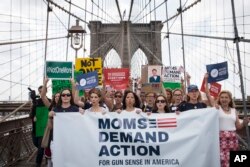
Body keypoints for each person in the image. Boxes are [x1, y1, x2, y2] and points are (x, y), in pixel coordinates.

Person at [216, 90, 249, 167]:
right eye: (222, 97)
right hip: (221, 139)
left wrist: (244, 123)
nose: (224, 99)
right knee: (223, 160)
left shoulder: (234, 111)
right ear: (219, 99)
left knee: (232, 160)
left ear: (230, 99)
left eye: (226, 97)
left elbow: (238, 127)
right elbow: (208, 95)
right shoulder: (216, 109)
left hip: (233, 138)